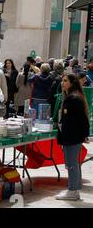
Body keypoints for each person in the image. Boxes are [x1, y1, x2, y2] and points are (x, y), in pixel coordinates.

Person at [55, 73, 90, 201]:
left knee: (71, 164)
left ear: (72, 83)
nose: (62, 83)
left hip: (73, 136)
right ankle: (74, 189)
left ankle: (73, 190)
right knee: (72, 163)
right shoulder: (70, 97)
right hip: (71, 135)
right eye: (62, 80)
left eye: (65, 81)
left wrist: (85, 134)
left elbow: (83, 118)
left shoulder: (73, 98)